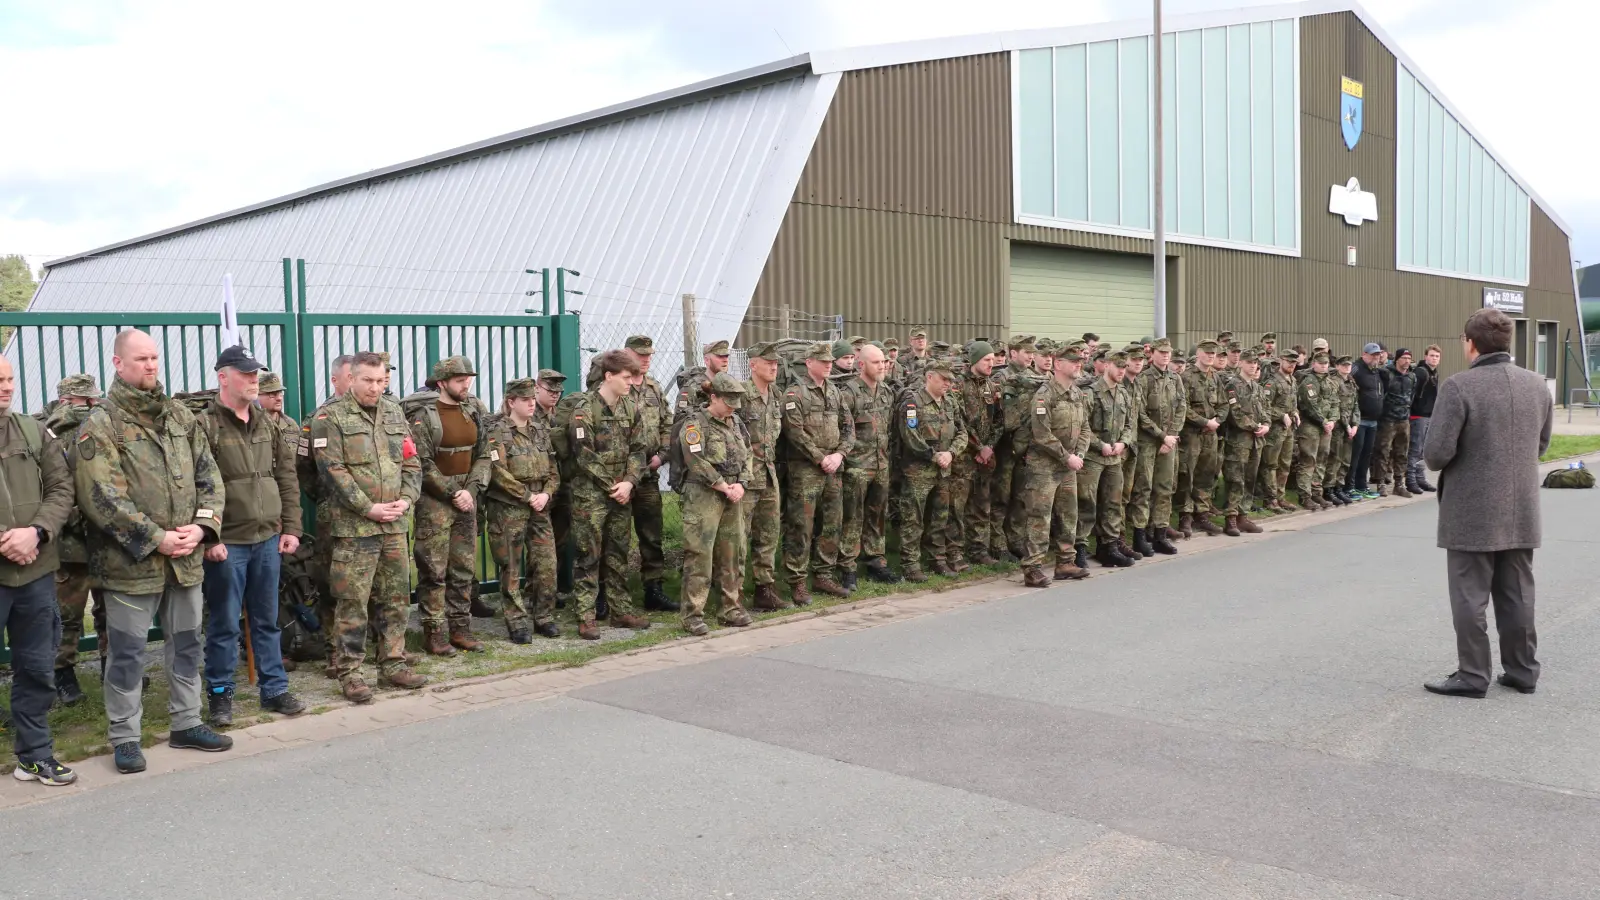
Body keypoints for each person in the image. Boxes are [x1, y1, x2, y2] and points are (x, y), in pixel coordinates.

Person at [75, 329, 232, 773]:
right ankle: (125, 735)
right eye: (141, 359)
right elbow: (100, 496)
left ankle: (186, 722)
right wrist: (156, 537)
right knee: (126, 653)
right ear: (118, 363)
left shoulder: (180, 416)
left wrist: (202, 528)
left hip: (185, 559)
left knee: (186, 644)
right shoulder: (101, 423)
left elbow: (210, 477)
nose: (150, 366)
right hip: (131, 564)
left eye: (154, 358)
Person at [1422, 308, 1552, 698]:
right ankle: (1523, 670)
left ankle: (1473, 675)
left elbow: (1436, 454)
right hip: (1522, 506)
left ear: (1471, 343)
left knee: (1469, 594)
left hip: (1472, 508)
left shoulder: (1460, 387)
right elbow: (1540, 445)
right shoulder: (1536, 385)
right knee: (1517, 593)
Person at [196, 345, 306, 727]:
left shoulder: (267, 422)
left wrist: (291, 526)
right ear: (223, 377)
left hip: (267, 538)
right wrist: (210, 538)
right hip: (229, 542)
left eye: (256, 373)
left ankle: (274, 689)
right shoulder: (206, 425)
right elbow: (197, 486)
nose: (254, 380)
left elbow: (286, 476)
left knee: (267, 619)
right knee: (224, 622)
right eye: (245, 373)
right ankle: (221, 695)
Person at [311, 351, 428, 702]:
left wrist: (406, 500)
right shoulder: (328, 417)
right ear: (351, 379)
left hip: (394, 525)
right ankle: (351, 673)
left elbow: (411, 461)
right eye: (368, 381)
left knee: (395, 600)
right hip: (355, 529)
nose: (375, 387)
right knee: (353, 603)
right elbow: (332, 471)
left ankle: (393, 664)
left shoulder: (394, 412)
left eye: (381, 381)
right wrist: (369, 508)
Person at [0, 356, 78, 786]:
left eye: (10, 379)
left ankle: (34, 755)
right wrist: (6, 540)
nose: (6, 387)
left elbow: (62, 486)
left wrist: (36, 532)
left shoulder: (33, 430)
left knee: (36, 667)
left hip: (35, 570)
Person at [557, 350, 650, 639]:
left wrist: (630, 483)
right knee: (589, 555)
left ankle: (620, 610)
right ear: (608, 376)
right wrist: (614, 486)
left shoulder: (630, 407)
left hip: (622, 493)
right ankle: (586, 615)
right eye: (625, 377)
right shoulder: (585, 409)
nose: (631, 382)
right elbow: (584, 456)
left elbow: (639, 449)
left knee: (618, 553)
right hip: (592, 495)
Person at [405, 356, 492, 655]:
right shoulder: (423, 415)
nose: (466, 383)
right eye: (459, 379)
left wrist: (471, 489)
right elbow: (421, 463)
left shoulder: (472, 411)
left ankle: (460, 628)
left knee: (464, 568)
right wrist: (454, 491)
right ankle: (434, 632)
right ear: (442, 383)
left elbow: (484, 454)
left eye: (468, 378)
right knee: (434, 569)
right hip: (436, 502)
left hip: (466, 499)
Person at [482, 378, 562, 642]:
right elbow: (498, 473)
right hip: (510, 507)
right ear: (511, 402)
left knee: (546, 563)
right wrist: (528, 496)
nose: (531, 404)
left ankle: (544, 617)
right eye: (525, 400)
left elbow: (553, 470)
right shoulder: (498, 432)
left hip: (539, 503)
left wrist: (546, 493)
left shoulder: (539, 430)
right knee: (511, 566)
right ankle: (516, 622)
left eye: (532, 399)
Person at [675, 373, 754, 635]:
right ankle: (692, 613)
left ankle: (730, 608)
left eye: (736, 402)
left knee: (732, 552)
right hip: (704, 494)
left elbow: (749, 454)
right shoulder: (695, 424)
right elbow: (695, 460)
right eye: (728, 401)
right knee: (700, 554)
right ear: (714, 397)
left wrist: (741, 482)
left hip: (733, 493)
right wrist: (722, 485)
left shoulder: (736, 422)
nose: (732, 407)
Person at [780, 342, 854, 603]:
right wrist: (820, 458)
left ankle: (824, 574)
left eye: (830, 361)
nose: (829, 364)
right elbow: (795, 432)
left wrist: (839, 454)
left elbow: (848, 427)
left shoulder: (834, 391)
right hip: (806, 470)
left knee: (833, 522)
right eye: (823, 361)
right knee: (802, 525)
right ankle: (797, 581)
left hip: (833, 467)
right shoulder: (795, 394)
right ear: (809, 362)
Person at [42, 374, 100, 706]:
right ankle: (63, 674)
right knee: (67, 615)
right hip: (68, 541)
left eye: (94, 399)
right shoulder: (46, 433)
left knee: (109, 612)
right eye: (85, 401)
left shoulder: (101, 427)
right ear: (66, 401)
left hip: (105, 538)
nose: (93, 405)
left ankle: (112, 667)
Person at [1018, 344, 1091, 586]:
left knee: (1069, 513)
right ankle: (1032, 567)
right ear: (1058, 364)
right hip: (1044, 465)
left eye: (1080, 360)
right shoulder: (1044, 395)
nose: (1078, 364)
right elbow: (1041, 433)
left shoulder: (1077, 393)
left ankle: (1066, 562)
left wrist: (1078, 452)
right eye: (1073, 360)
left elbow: (1085, 427)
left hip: (1068, 465)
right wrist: (1066, 455)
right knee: (1040, 516)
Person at [616, 336, 674, 613]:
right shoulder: (616, 386)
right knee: (616, 536)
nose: (646, 359)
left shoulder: (654, 388)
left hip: (649, 475)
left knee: (651, 535)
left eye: (649, 355)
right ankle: (612, 595)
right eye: (640, 354)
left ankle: (654, 590)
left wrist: (661, 455)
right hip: (621, 476)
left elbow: (668, 423)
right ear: (627, 354)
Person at [894, 358, 965, 581]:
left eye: (950, 380)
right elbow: (910, 437)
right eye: (944, 379)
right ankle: (910, 564)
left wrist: (951, 453)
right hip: (918, 471)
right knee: (913, 519)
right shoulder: (913, 403)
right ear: (930, 377)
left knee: (940, 517)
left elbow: (962, 432)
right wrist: (934, 456)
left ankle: (938, 560)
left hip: (944, 470)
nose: (947, 384)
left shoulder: (950, 402)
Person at [838, 343, 895, 589]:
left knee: (877, 515)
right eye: (876, 362)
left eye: (883, 362)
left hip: (881, 463)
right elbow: (842, 429)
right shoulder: (849, 393)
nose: (881, 366)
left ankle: (875, 561)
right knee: (852, 517)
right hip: (857, 466)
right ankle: (848, 566)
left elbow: (888, 427)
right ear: (862, 365)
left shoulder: (886, 392)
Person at [739, 343, 787, 610]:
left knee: (768, 535)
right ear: (753, 364)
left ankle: (764, 589)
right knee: (739, 538)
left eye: (776, 363)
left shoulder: (775, 394)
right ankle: (732, 593)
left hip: (768, 475)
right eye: (768, 362)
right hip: (746, 478)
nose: (773, 367)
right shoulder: (742, 395)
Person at [1078, 351, 1136, 567]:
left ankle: (1108, 547)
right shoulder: (1091, 392)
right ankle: (1080, 548)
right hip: (1093, 457)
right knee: (1087, 503)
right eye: (1119, 366)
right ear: (1107, 365)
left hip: (1114, 458)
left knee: (1112, 503)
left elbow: (1130, 424)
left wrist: (1123, 442)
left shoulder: (1123, 393)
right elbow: (1082, 426)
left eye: (1125, 366)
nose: (1122, 370)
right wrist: (1099, 445)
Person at [954, 341, 1000, 566]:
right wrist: (977, 446)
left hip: (985, 456)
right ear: (974, 361)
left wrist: (989, 446)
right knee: (958, 506)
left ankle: (979, 550)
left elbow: (1000, 420)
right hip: (965, 455)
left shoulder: (991, 386)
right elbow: (958, 420)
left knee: (982, 505)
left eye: (993, 359)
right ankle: (955, 552)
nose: (992, 364)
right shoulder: (958, 385)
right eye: (986, 360)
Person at [1176, 340, 1225, 538]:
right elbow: (1183, 407)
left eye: (1214, 353)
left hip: (1210, 435)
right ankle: (1185, 515)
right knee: (1187, 474)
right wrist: (1204, 422)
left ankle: (1201, 514)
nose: (1211, 356)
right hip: (1192, 435)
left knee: (1206, 474)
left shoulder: (1215, 377)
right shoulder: (1186, 377)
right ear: (1198, 354)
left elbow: (1224, 404)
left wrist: (1217, 420)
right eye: (1207, 353)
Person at [1219, 349, 1270, 536]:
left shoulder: (1256, 387)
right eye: (1249, 362)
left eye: (1255, 362)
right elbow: (1235, 413)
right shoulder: (1232, 385)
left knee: (1250, 479)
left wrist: (1266, 424)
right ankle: (1231, 518)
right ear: (1241, 363)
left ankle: (1243, 515)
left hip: (1256, 441)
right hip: (1238, 441)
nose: (1253, 365)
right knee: (1235, 479)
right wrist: (1256, 426)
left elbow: (1265, 409)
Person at [1291, 351, 1339, 511]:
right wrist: (1324, 421)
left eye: (1326, 364)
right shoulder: (1309, 382)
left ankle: (1317, 491)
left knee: (1322, 459)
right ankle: (1305, 495)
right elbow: (1310, 406)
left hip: (1326, 427)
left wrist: (1332, 420)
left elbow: (1335, 403)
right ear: (1314, 364)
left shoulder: (1330, 382)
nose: (1324, 366)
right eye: (1321, 363)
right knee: (1308, 460)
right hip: (1310, 426)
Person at [1255, 349, 1300, 511]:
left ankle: (1281, 497)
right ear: (1281, 361)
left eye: (1294, 363)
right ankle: (1270, 499)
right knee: (1270, 464)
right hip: (1274, 429)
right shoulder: (1271, 382)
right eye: (1289, 362)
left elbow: (1292, 403)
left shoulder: (1292, 380)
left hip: (1288, 429)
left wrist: (1295, 413)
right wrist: (1281, 415)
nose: (1291, 365)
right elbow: (1265, 406)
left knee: (1285, 464)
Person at [1372, 348, 1418, 497]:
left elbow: (1412, 395)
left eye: (1409, 358)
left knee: (1402, 453)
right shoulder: (1386, 374)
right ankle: (1381, 483)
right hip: (1388, 420)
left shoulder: (1412, 376)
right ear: (1397, 359)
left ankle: (1399, 483)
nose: (1406, 361)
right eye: (1404, 358)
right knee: (1383, 452)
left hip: (1404, 419)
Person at [1347, 343, 1385, 498]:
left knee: (1366, 455)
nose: (1375, 357)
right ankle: (1349, 486)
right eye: (1372, 354)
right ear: (1364, 354)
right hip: (1359, 420)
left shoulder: (1376, 372)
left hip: (1373, 421)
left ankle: (1362, 485)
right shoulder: (1357, 369)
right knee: (1355, 455)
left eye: (1377, 355)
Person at [1407, 345, 1441, 494]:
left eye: (1437, 356)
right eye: (1432, 355)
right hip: (1418, 415)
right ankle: (1411, 480)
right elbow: (1411, 393)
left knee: (1422, 451)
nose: (1434, 358)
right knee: (1415, 449)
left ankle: (1420, 478)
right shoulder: (1420, 372)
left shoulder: (1434, 373)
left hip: (1429, 415)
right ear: (1426, 356)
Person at [674, 340, 732, 418]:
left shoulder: (729, 385)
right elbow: (680, 418)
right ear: (707, 360)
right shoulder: (692, 387)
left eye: (726, 356)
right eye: (720, 356)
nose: (725, 360)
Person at [256, 371, 300, 460]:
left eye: (280, 393)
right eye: (272, 394)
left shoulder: (291, 425)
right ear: (257, 395)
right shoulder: (252, 425)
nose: (279, 398)